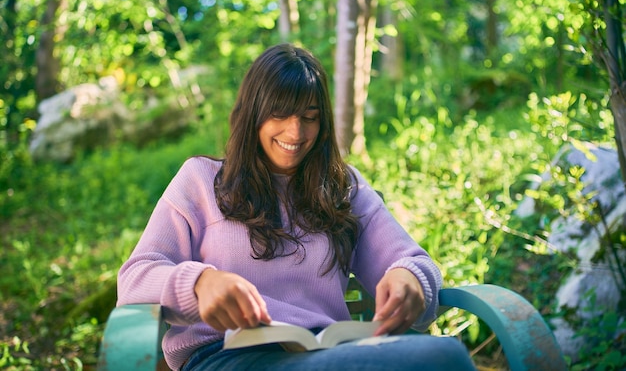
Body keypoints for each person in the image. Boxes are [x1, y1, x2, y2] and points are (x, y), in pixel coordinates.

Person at [117, 43, 476, 371]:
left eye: (309, 116)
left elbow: (414, 261)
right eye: (280, 114)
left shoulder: (342, 187)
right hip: (228, 357)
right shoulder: (201, 180)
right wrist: (199, 283)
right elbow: (134, 280)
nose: (296, 133)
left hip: (327, 354)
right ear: (253, 113)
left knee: (445, 356)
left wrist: (410, 279)